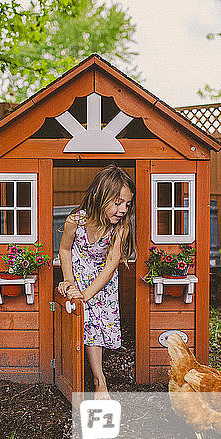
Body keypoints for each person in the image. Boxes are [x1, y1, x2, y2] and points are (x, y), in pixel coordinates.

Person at [57, 164, 136, 399]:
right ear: (100, 197)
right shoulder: (75, 221)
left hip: (102, 284)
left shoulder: (120, 228)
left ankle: (98, 379)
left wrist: (87, 295)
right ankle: (77, 376)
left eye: (128, 204)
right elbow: (64, 250)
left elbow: (111, 264)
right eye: (118, 202)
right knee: (79, 325)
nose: (123, 209)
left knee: (94, 329)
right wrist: (70, 283)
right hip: (79, 277)